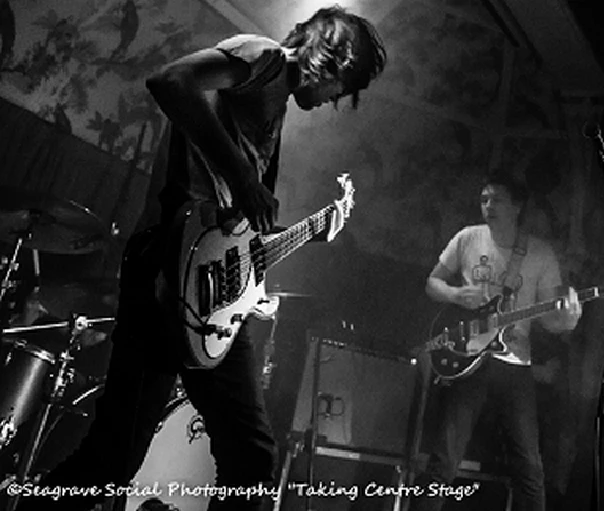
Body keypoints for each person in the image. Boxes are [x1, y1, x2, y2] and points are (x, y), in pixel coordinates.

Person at [14, 5, 385, 511]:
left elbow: (229, 225)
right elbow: (170, 80)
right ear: (334, 62)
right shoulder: (264, 56)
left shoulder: (273, 104)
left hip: (199, 285)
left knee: (142, 457)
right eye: (344, 89)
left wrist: (309, 235)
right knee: (208, 456)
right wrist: (243, 176)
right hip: (166, 266)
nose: (334, 102)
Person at [409, 173, 582, 511]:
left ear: (517, 206)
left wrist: (569, 317)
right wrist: (458, 294)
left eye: (497, 200)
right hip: (469, 358)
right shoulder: (468, 238)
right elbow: (432, 284)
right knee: (445, 457)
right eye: (484, 199)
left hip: (516, 363)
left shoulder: (540, 253)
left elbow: (550, 319)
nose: (488, 206)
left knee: (529, 467)